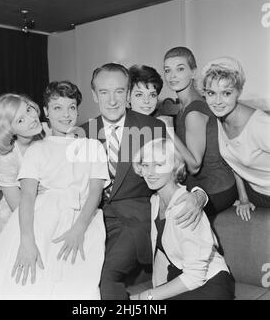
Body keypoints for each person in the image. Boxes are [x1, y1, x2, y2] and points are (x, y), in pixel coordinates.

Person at [0, 81, 109, 299]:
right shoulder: (15, 155)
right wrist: (27, 240)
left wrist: (79, 226)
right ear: (47, 111)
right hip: (27, 213)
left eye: (71, 107)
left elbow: (94, 192)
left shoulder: (88, 146)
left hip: (78, 217)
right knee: (22, 277)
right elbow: (24, 201)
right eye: (57, 108)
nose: (66, 114)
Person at [80, 63, 208, 300]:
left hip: (133, 220)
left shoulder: (152, 127)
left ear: (128, 94)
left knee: (106, 276)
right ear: (94, 95)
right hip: (93, 221)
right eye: (104, 92)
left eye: (119, 91)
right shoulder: (83, 132)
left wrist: (199, 194)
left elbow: (176, 175)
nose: (112, 100)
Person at [130, 138, 234, 300]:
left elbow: (196, 276)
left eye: (159, 165)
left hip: (209, 282)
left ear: (173, 166)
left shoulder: (185, 206)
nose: (150, 172)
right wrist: (154, 290)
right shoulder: (155, 200)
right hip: (180, 276)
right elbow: (163, 251)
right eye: (145, 165)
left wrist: (146, 296)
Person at [163, 47, 237, 217]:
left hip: (216, 188)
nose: (172, 75)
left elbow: (194, 165)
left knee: (175, 216)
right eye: (168, 70)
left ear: (193, 72)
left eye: (180, 69)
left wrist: (169, 131)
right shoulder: (186, 106)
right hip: (201, 185)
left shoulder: (194, 112)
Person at [201, 56, 270, 221]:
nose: (217, 101)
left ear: (238, 92)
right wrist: (244, 197)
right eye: (211, 93)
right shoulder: (218, 119)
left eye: (226, 93)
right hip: (254, 192)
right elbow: (234, 164)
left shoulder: (260, 125)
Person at [0, 94, 46, 253]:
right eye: (21, 120)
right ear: (9, 130)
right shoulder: (7, 157)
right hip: (21, 214)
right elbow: (17, 206)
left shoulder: (48, 132)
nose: (31, 118)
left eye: (29, 110)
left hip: (51, 205)